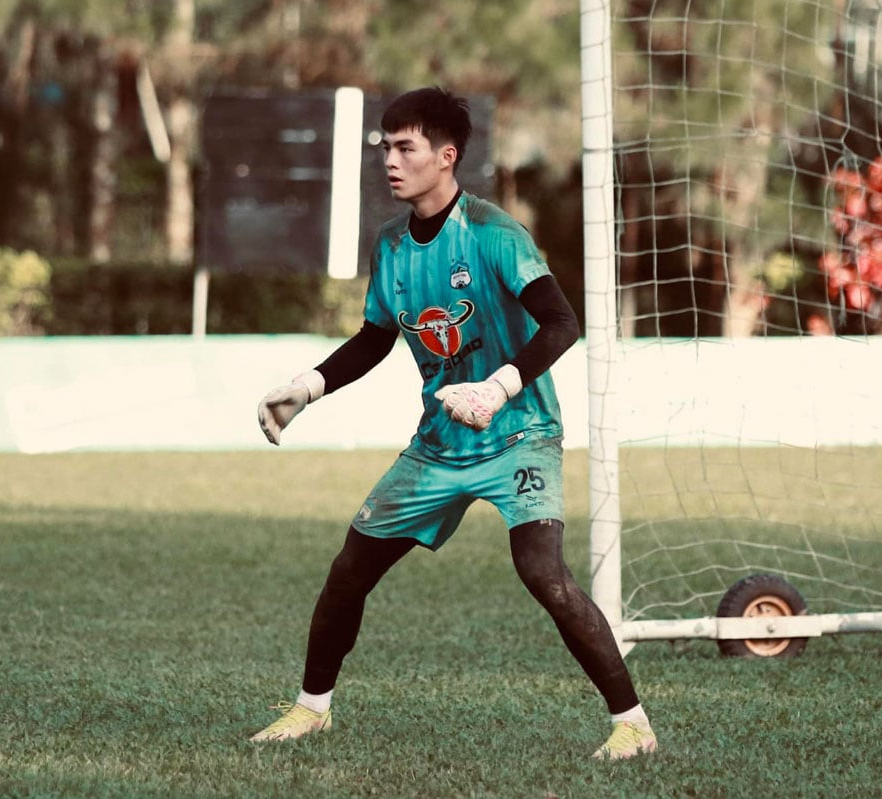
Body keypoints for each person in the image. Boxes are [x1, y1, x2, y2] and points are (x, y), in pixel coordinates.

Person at [251, 87, 656, 760]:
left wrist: (498, 388)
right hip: (440, 446)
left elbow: (562, 323)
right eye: (386, 147)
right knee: (349, 570)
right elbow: (375, 337)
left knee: (543, 573)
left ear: (446, 156)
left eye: (405, 147)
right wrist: (308, 387)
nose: (390, 160)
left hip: (520, 434)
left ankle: (633, 724)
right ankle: (311, 709)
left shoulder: (493, 233)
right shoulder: (390, 245)